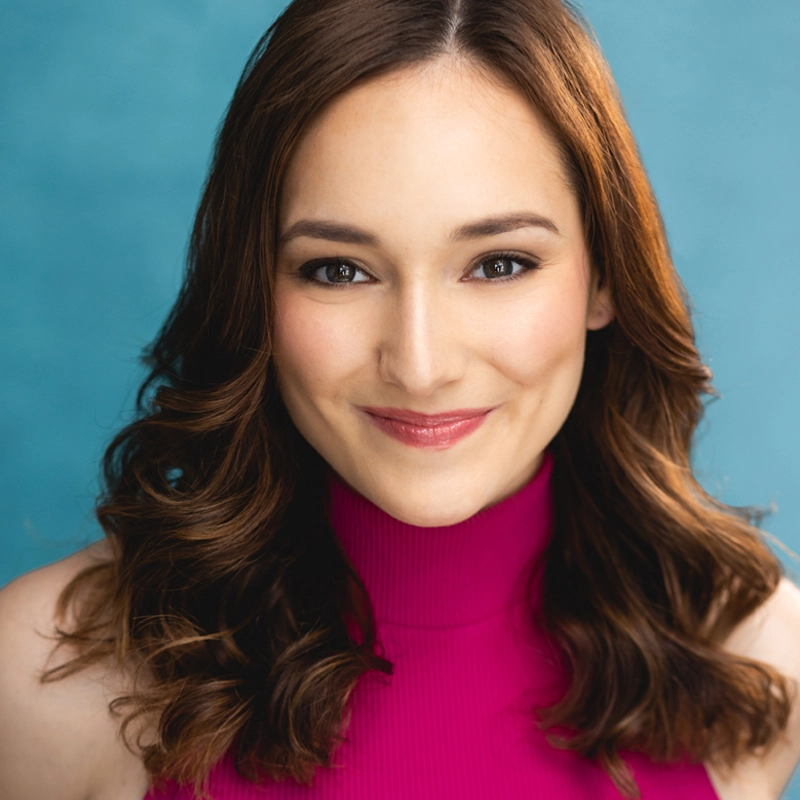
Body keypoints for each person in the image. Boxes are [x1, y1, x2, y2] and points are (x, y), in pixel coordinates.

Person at [1, 0, 799, 798]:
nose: (419, 366)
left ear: (604, 276)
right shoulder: (46, 677)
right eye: (339, 270)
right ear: (255, 291)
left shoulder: (758, 660)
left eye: (498, 264)